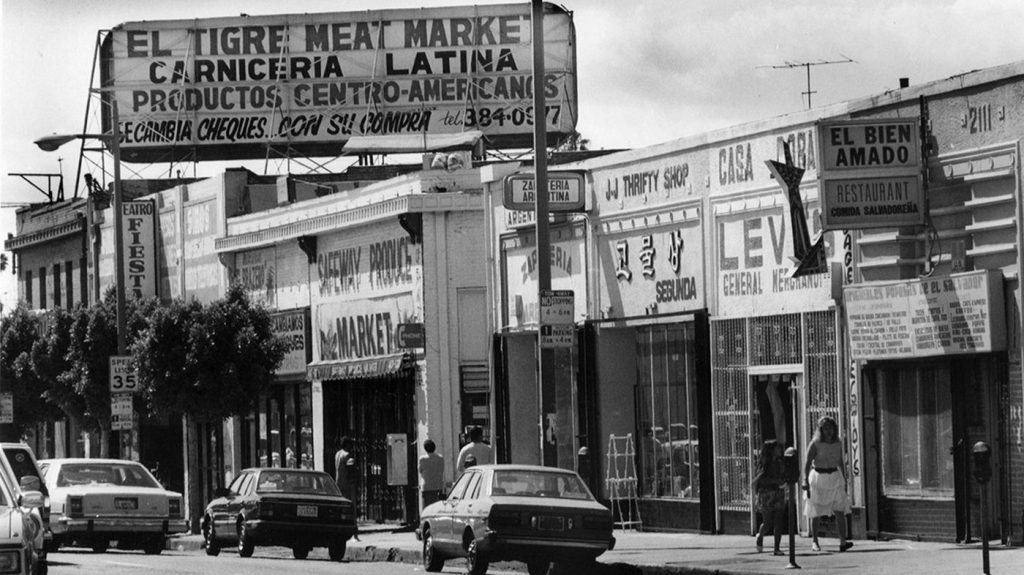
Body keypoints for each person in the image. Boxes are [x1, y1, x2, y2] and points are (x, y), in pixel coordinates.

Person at [802, 416, 853, 552]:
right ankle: (815, 541)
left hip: (835, 477)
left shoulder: (838, 443)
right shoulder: (815, 443)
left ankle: (843, 541)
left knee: (840, 509)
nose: (828, 431)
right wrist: (805, 479)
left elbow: (840, 461)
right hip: (819, 477)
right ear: (821, 430)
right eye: (825, 428)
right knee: (816, 510)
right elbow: (807, 463)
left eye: (830, 428)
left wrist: (845, 479)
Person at [752, 441, 787, 555]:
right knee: (767, 522)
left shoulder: (780, 462)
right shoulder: (765, 464)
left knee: (778, 521)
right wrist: (775, 481)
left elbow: (783, 475)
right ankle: (760, 535)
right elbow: (760, 480)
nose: (780, 451)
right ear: (771, 450)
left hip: (778, 493)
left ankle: (777, 548)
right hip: (766, 494)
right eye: (777, 448)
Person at [418, 439, 445, 509]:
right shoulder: (440, 458)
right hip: (437, 486)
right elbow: (442, 470)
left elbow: (420, 471)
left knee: (426, 508)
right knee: (437, 508)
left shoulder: (422, 459)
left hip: (426, 487)